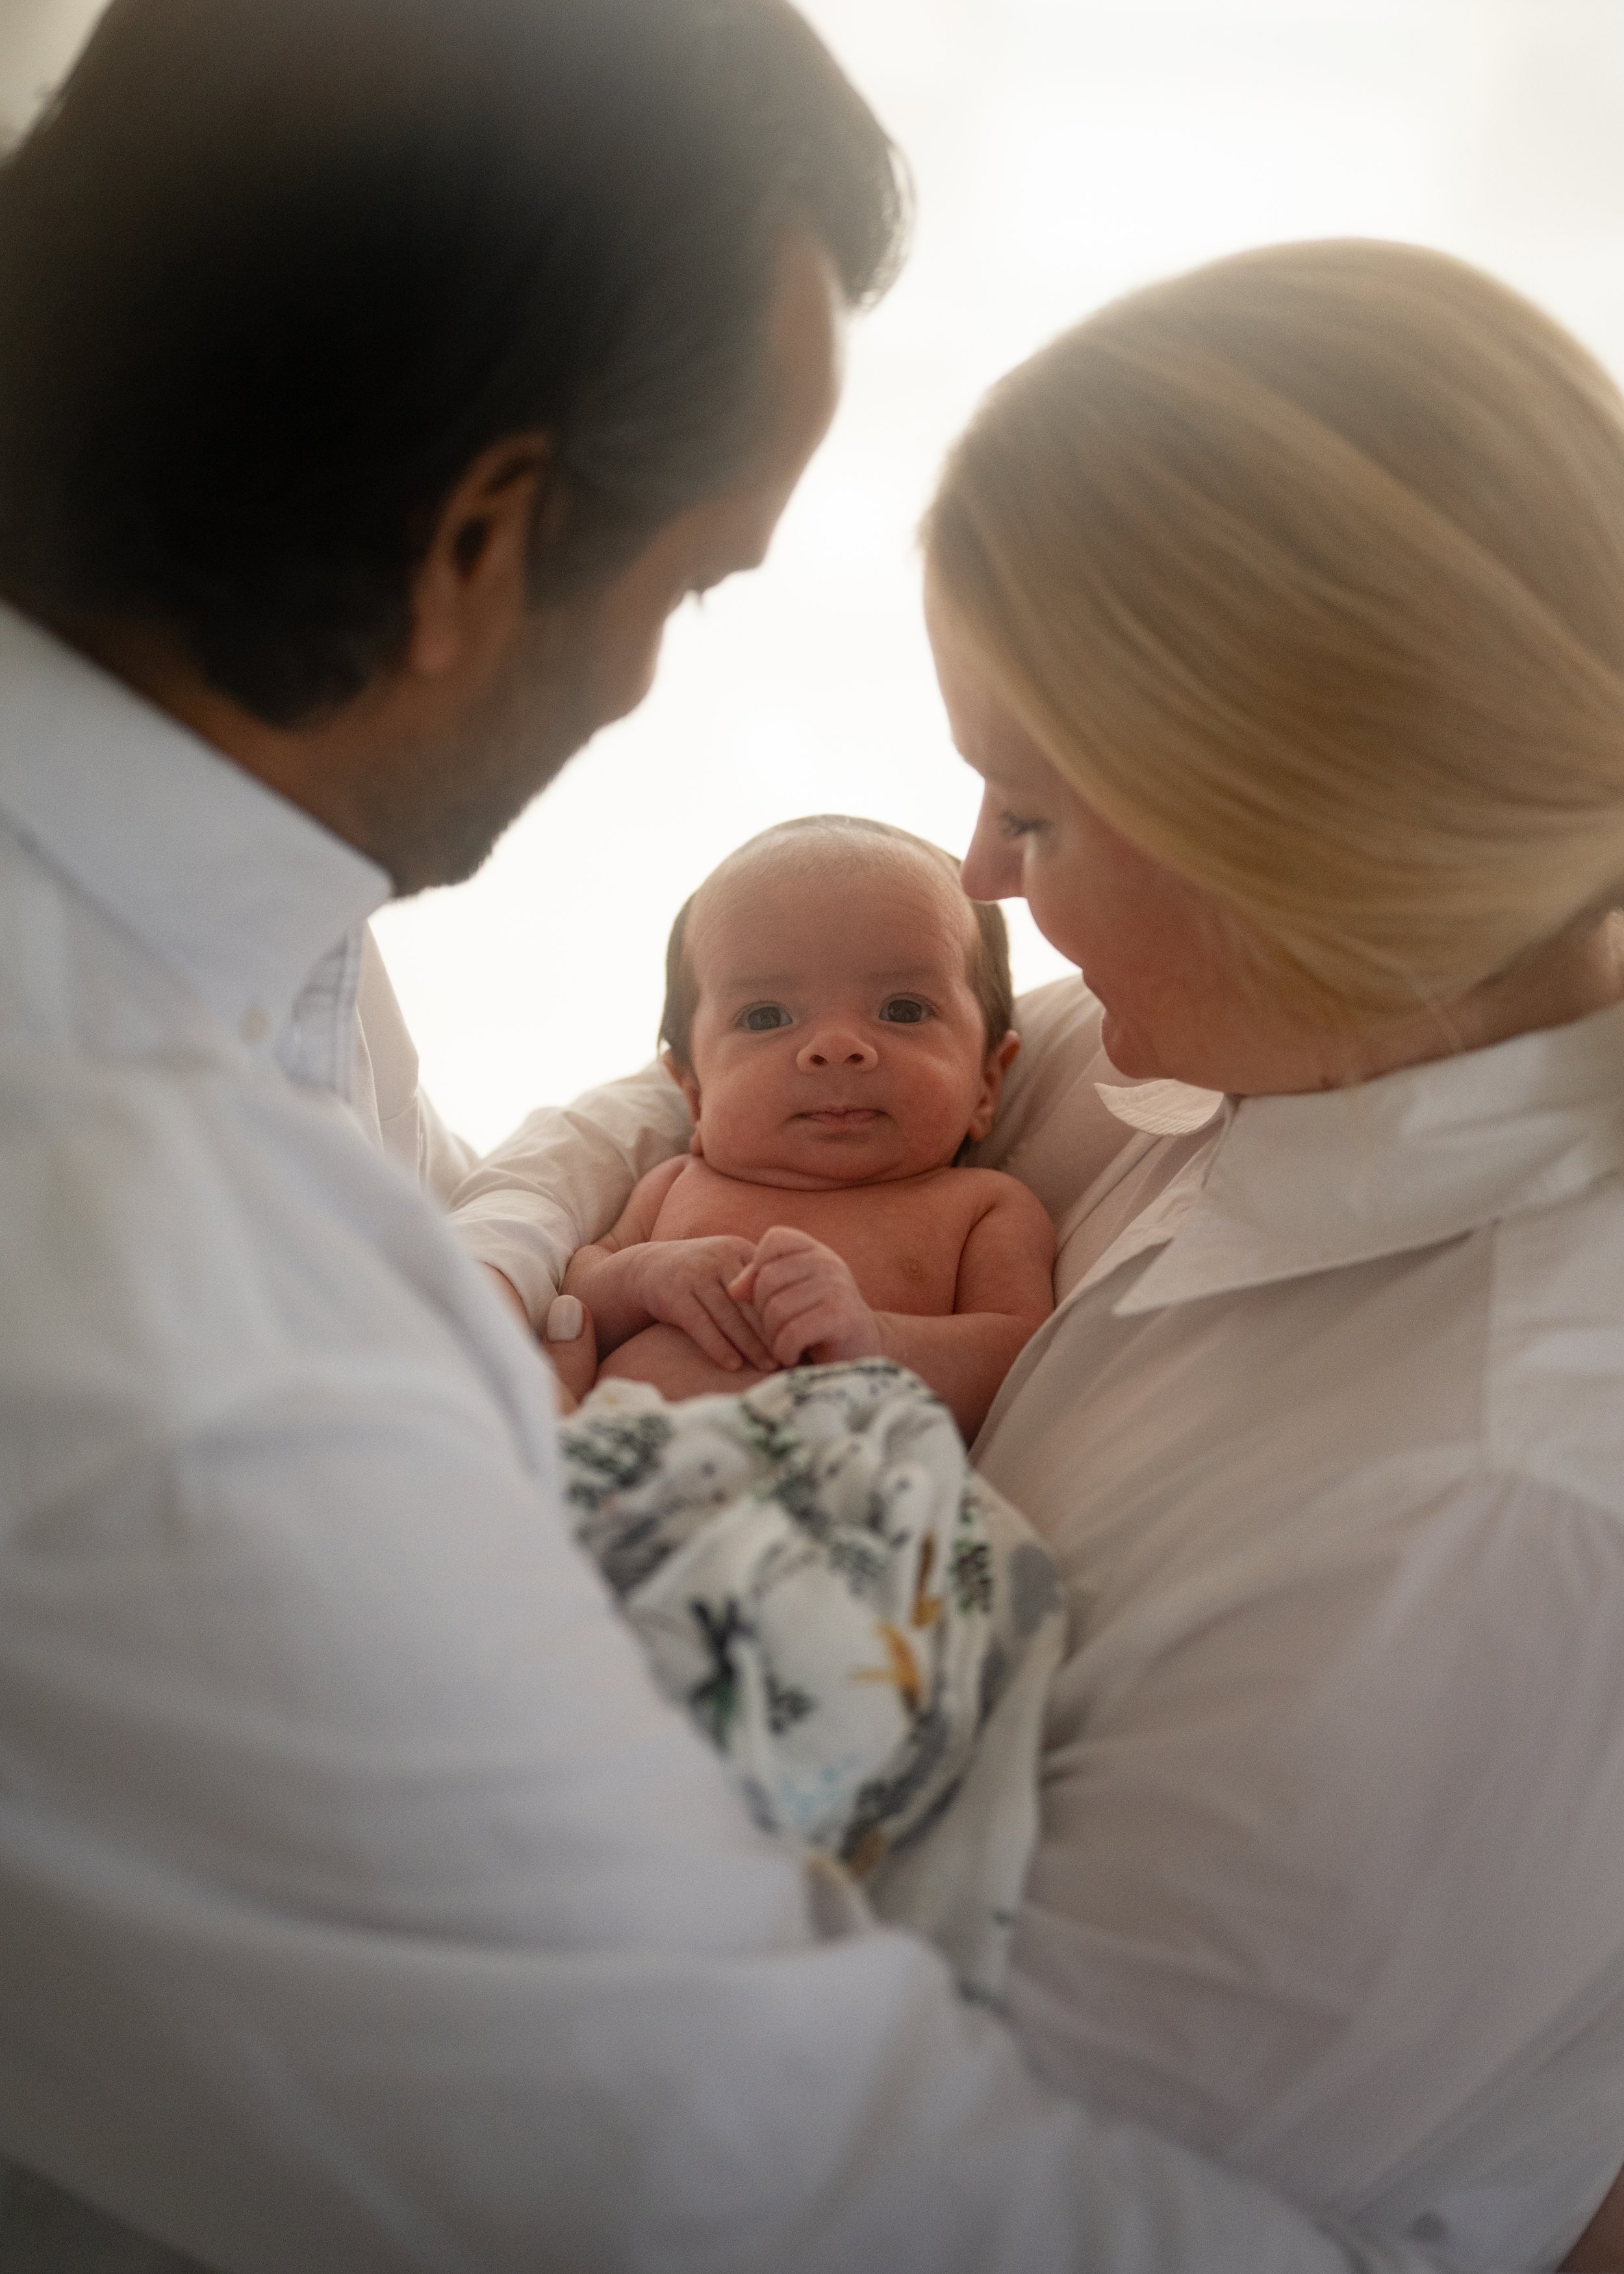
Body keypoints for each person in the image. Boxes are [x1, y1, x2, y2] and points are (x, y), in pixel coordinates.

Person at [0, 3, 1465, 2269]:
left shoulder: (208, 962)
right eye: (684, 585)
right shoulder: (155, 1277)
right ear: (482, 538)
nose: (648, 683)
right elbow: (777, 2181)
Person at [450, 237, 1624, 2273]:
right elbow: (691, 1083)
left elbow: (971, 2179)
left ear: (1293, 841)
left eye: (1029, 809)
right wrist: (509, 1244)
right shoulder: (1218, 1028)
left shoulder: (1477, 1510)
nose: (978, 873)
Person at [566, 814, 1054, 1435]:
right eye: (766, 1016)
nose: (835, 1046)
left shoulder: (982, 1207)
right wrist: (643, 1278)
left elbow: (1023, 1358)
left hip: (844, 1495)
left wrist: (873, 1337)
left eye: (902, 1009)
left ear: (987, 1083)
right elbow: (576, 1295)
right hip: (618, 1474)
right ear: (693, 1093)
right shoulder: (672, 1185)